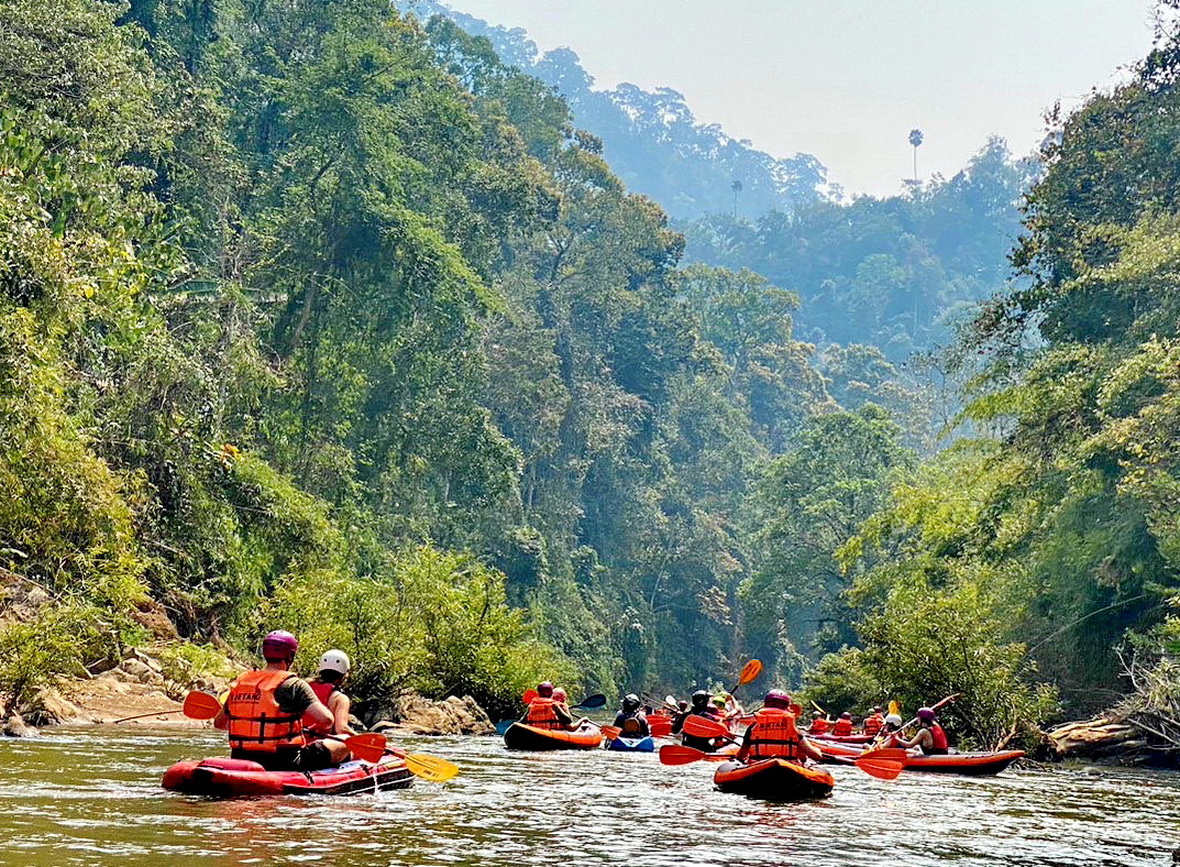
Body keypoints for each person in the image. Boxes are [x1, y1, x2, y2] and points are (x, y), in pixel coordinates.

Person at [214, 630, 348, 771]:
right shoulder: (294, 684)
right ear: (291, 656)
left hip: (241, 757)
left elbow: (219, 723)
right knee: (345, 741)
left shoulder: (242, 683)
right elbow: (327, 720)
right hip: (285, 762)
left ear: (264, 653)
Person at [736, 690, 823, 763]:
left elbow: (741, 755)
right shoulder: (793, 729)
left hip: (758, 768)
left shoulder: (753, 728)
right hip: (787, 769)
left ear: (765, 704)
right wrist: (816, 751)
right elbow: (816, 756)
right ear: (787, 706)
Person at [304, 649, 357, 737]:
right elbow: (341, 729)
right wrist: (361, 737)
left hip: (296, 739)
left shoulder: (304, 686)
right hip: (318, 744)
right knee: (345, 737)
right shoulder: (340, 698)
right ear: (344, 674)